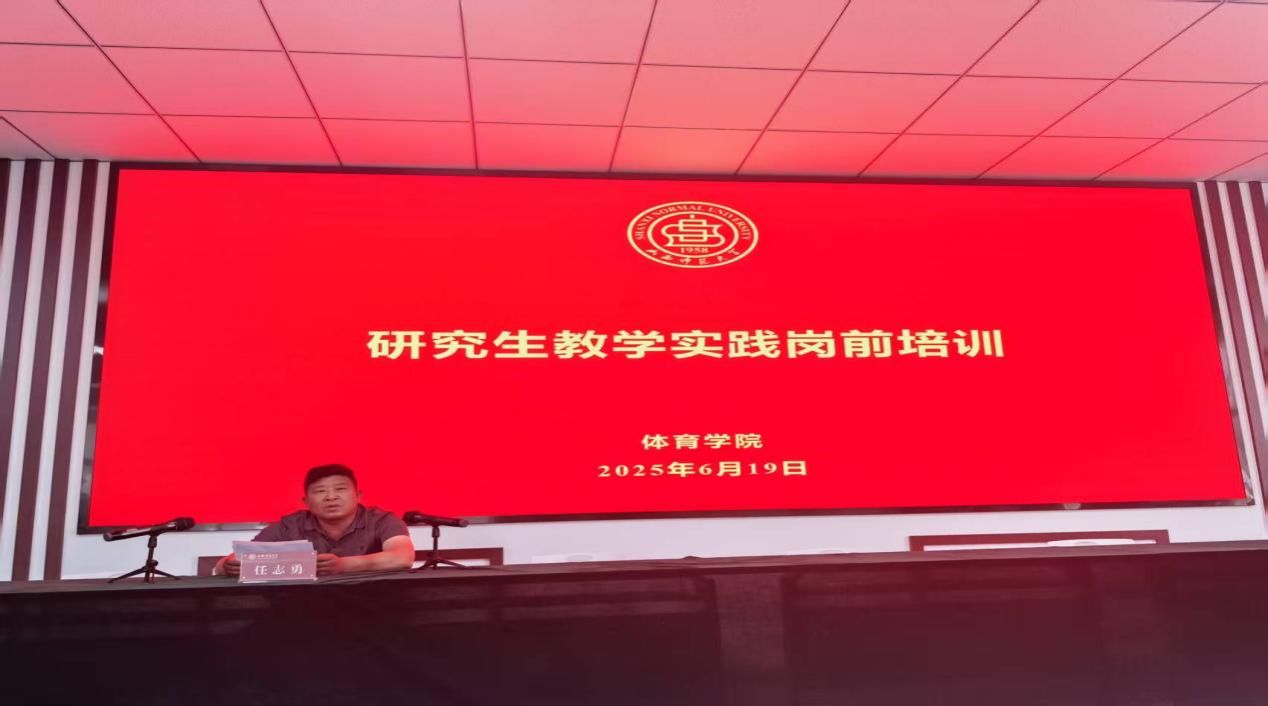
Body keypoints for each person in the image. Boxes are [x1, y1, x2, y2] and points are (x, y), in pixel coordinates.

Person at [215, 464, 415, 577]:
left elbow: (402, 557)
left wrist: (342, 565)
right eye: (320, 491)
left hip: (371, 604)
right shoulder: (289, 526)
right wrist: (228, 566)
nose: (331, 497)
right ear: (306, 501)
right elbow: (229, 562)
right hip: (303, 607)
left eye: (340, 489)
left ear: (358, 495)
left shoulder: (382, 520)